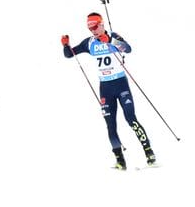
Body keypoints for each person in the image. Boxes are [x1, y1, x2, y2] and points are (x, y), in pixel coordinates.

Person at [61, 12, 156, 170]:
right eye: (90, 27)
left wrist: (111, 41)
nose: (93, 30)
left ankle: (149, 153)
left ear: (102, 24)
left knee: (130, 119)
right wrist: (65, 45)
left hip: (121, 85)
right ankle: (120, 160)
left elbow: (128, 49)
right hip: (105, 88)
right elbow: (69, 55)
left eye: (95, 26)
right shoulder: (89, 42)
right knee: (110, 125)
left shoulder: (113, 35)